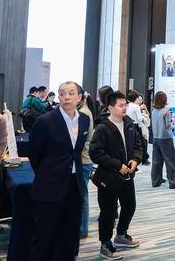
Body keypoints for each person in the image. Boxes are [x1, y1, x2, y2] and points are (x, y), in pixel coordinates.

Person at [28, 81, 91, 261]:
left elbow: (77, 152)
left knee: (70, 234)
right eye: (62, 93)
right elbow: (34, 155)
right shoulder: (45, 121)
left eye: (71, 93)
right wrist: (48, 173)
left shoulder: (84, 120)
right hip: (50, 185)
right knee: (44, 236)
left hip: (74, 184)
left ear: (79, 97)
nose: (66, 97)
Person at [90, 91, 143, 260]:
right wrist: (117, 165)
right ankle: (105, 244)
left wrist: (136, 159)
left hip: (127, 176)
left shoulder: (129, 123)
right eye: (120, 105)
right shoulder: (102, 127)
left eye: (125, 104)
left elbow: (138, 145)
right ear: (110, 108)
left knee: (130, 206)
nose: (124, 108)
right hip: (109, 177)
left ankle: (121, 235)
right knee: (109, 211)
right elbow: (95, 153)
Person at [150, 91, 175, 189]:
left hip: (156, 138)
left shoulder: (153, 111)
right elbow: (168, 125)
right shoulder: (166, 111)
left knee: (156, 161)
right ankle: (173, 182)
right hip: (166, 138)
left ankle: (156, 181)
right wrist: (174, 127)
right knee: (171, 161)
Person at [77, 89, 95, 240]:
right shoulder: (82, 110)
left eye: (72, 94)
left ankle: (82, 229)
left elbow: (80, 140)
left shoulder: (83, 113)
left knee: (82, 195)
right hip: (83, 159)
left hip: (83, 159)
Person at [127, 90, 149, 165]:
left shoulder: (127, 105)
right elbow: (139, 118)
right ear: (136, 98)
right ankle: (142, 159)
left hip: (128, 126)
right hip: (136, 126)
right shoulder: (136, 106)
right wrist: (144, 117)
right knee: (141, 142)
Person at [136, 93, 151, 165]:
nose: (140, 101)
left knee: (145, 142)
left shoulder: (144, 106)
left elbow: (148, 114)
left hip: (144, 127)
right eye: (139, 99)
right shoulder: (134, 107)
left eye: (141, 99)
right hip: (137, 127)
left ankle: (145, 158)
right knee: (140, 143)